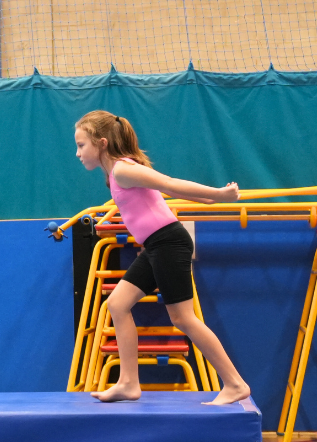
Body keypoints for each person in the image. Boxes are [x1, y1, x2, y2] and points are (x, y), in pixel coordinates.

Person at [73, 110, 251, 406]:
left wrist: (219, 195)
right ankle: (128, 382)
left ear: (102, 143)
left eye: (81, 145)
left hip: (168, 242)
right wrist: (209, 197)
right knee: (117, 304)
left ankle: (235, 383)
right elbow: (166, 194)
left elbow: (169, 183)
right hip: (155, 245)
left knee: (182, 317)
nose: (78, 153)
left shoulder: (123, 169)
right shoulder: (115, 173)